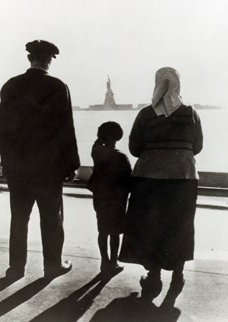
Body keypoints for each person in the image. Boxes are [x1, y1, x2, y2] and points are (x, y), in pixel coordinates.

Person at [0, 40, 80, 280]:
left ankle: (16, 268)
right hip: (48, 168)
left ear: (29, 59)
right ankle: (53, 266)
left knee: (19, 218)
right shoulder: (57, 87)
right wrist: (71, 164)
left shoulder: (10, 86)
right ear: (49, 60)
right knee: (51, 219)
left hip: (18, 167)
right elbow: (67, 129)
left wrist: (6, 163)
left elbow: (3, 130)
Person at [119, 67, 203, 300]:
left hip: (149, 179)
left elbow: (134, 148)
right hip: (183, 178)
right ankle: (178, 274)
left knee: (150, 226)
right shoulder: (191, 113)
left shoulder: (146, 114)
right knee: (180, 225)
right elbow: (197, 146)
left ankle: (153, 275)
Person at [87, 122, 132, 274]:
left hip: (100, 199)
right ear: (118, 137)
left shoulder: (97, 154)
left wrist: (100, 139)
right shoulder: (122, 157)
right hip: (117, 201)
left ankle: (104, 262)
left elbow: (96, 146)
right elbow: (129, 181)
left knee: (102, 231)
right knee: (114, 233)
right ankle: (113, 262)